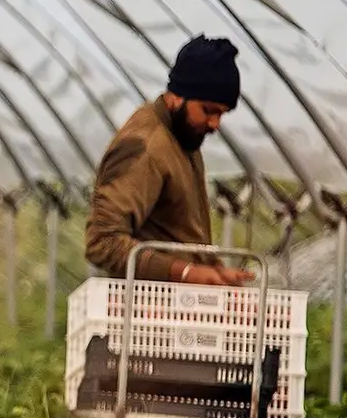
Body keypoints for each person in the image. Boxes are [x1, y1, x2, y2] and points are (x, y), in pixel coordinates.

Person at [85, 36, 253, 286]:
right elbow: (102, 241)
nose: (215, 124)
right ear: (177, 96)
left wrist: (212, 270)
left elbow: (175, 234)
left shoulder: (185, 137)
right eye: (208, 110)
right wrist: (186, 273)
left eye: (222, 114)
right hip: (144, 313)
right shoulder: (148, 146)